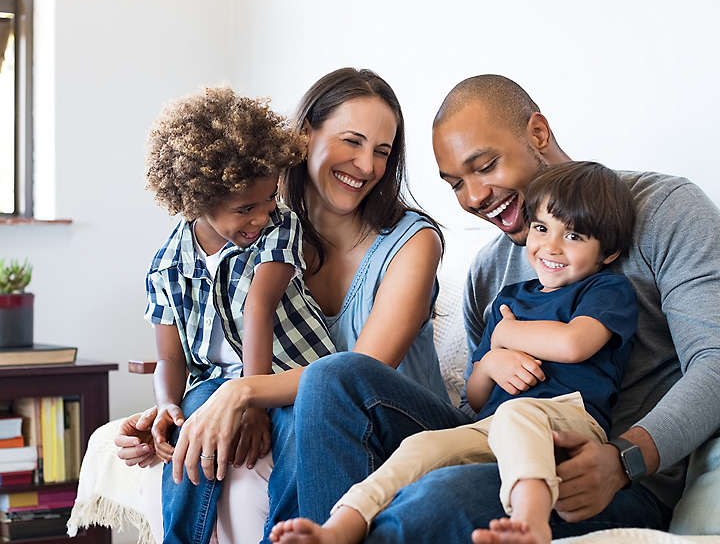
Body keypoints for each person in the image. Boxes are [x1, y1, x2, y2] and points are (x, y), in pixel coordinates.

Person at [276, 74, 720, 543]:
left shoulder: (665, 210)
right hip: (501, 442)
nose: (473, 198)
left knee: (433, 500)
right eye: (455, 185)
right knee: (334, 377)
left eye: (485, 166)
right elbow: (478, 405)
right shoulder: (489, 271)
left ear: (538, 134)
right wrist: (491, 362)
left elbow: (714, 362)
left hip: (603, 474)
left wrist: (625, 458)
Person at [114, 68, 451, 544]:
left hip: (394, 424)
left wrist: (244, 393)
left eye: (382, 151)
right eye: (352, 142)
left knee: (312, 401)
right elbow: (206, 344)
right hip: (297, 403)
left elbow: (359, 373)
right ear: (304, 135)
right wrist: (171, 413)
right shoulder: (260, 228)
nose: (367, 165)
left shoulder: (411, 242)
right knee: (206, 410)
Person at [269, 160, 638, 544]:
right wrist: (492, 359)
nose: (551, 247)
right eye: (542, 228)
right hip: (491, 426)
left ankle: (531, 521)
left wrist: (508, 334)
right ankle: (341, 526)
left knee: (517, 413)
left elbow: (574, 343)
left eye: (574, 237)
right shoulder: (509, 299)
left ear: (608, 253)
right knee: (421, 446)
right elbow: (476, 397)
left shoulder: (605, 290)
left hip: (569, 422)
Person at [143, 87, 337, 544]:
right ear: (196, 201)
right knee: (193, 425)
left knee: (298, 430)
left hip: (293, 374)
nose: (261, 215)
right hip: (214, 381)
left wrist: (250, 401)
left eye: (268, 198)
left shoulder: (280, 225)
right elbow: (170, 359)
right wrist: (168, 405)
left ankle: (288, 535)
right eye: (244, 209)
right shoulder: (167, 265)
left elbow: (258, 306)